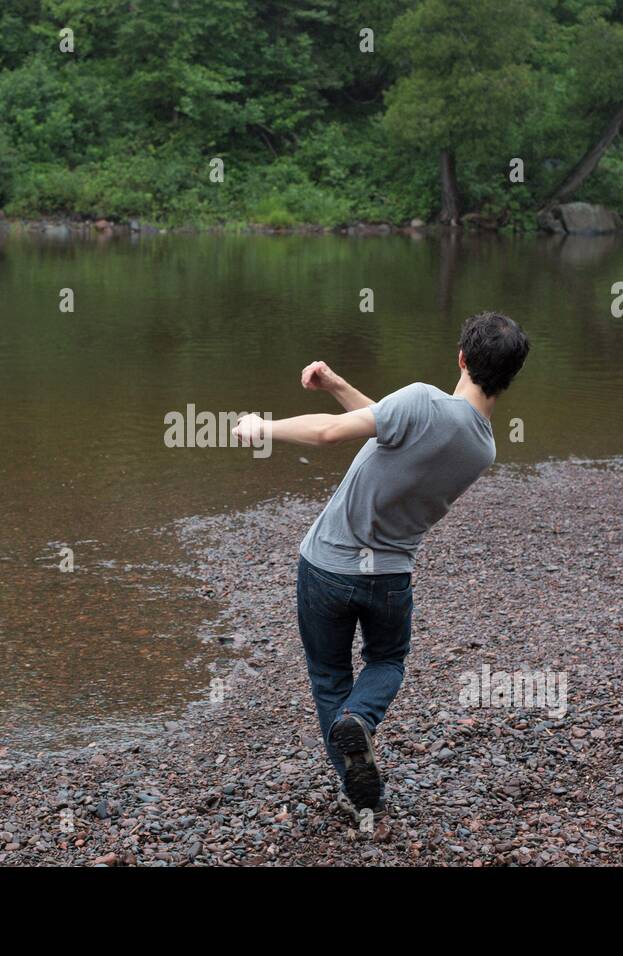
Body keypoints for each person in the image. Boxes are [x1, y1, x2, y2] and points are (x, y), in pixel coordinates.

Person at [231, 311, 530, 818]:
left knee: (329, 676)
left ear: (461, 358)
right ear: (509, 377)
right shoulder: (483, 448)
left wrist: (263, 426)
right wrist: (338, 385)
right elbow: (391, 429)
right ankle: (359, 721)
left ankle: (355, 774)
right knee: (386, 662)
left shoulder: (421, 400)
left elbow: (333, 434)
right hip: (389, 576)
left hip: (325, 564)